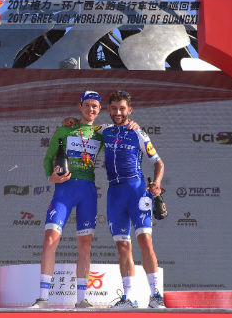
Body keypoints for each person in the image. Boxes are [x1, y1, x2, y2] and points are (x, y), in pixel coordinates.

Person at [30, 91, 104, 309]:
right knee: (51, 238)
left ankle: (82, 299)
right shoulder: (65, 128)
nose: (91, 109)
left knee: (85, 245)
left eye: (95, 106)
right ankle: (43, 297)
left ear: (99, 110)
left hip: (88, 192)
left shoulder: (102, 135)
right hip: (64, 190)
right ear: (80, 106)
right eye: (88, 105)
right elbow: (49, 157)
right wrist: (50, 176)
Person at [97, 90, 165, 309]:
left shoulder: (138, 132)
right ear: (109, 109)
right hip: (115, 193)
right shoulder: (103, 131)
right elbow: (82, 129)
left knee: (145, 241)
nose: (118, 112)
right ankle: (128, 298)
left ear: (130, 110)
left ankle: (155, 296)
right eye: (114, 108)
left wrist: (155, 183)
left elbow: (158, 163)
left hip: (136, 191)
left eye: (122, 108)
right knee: (122, 247)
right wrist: (69, 122)